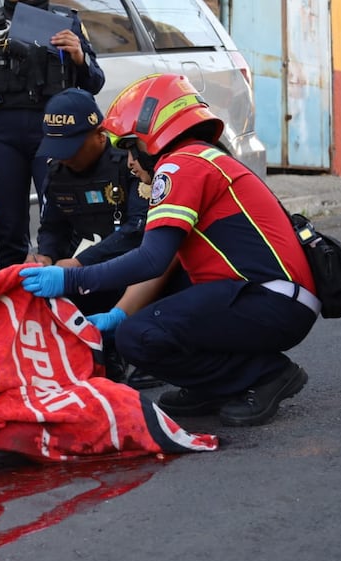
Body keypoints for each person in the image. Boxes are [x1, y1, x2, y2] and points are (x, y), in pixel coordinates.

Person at [19, 73, 320, 427]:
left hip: (269, 298)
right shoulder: (199, 158)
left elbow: (150, 258)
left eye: (132, 147)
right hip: (273, 295)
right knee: (142, 320)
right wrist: (117, 311)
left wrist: (72, 279)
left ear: (153, 134)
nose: (130, 162)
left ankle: (266, 374)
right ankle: (214, 385)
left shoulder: (180, 165)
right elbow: (166, 262)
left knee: (138, 336)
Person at [28, 87, 164, 389]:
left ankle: (147, 354)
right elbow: (52, 226)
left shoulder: (129, 164)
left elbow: (138, 230)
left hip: (134, 273)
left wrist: (79, 263)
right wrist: (45, 257)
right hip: (83, 276)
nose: (65, 158)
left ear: (99, 134)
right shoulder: (57, 172)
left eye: (72, 148)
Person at [0, 0, 105, 269]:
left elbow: (95, 82)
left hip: (55, 130)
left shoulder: (66, 20)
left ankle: (65, 298)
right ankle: (12, 300)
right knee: (9, 228)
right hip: (2, 134)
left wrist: (80, 58)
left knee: (64, 220)